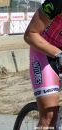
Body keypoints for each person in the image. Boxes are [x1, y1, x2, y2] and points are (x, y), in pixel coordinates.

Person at [24, 0, 62, 129]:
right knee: (49, 116)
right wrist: (59, 54)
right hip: (44, 51)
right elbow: (30, 34)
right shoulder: (57, 2)